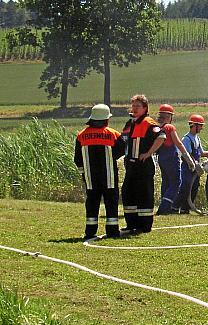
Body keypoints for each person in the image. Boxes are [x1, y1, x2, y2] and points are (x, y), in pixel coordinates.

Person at [74, 104, 126, 240]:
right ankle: (112, 231)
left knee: (92, 202)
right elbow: (121, 151)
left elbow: (77, 159)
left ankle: (90, 232)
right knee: (111, 202)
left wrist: (83, 173)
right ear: (106, 120)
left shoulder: (81, 135)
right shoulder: (113, 134)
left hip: (90, 177)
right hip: (109, 176)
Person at [120, 95, 166, 233]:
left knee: (143, 194)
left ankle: (144, 225)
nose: (134, 108)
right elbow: (123, 140)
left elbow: (161, 136)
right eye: (133, 106)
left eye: (137, 106)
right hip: (131, 164)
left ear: (145, 108)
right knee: (128, 192)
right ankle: (131, 224)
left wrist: (149, 153)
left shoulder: (148, 122)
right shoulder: (131, 123)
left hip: (143, 165)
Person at [154, 104, 196, 215]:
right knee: (176, 182)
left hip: (161, 158)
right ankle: (165, 207)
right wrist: (188, 159)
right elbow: (178, 143)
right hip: (171, 158)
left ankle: (164, 206)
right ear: (169, 116)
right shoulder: (169, 127)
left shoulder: (158, 128)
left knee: (166, 182)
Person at [172, 114, 207, 214]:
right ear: (194, 125)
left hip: (195, 169)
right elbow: (187, 155)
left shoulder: (197, 138)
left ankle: (185, 209)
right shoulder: (187, 139)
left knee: (194, 187)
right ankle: (175, 207)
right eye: (200, 125)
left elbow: (201, 153)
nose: (201, 128)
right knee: (185, 188)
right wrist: (195, 164)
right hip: (188, 168)